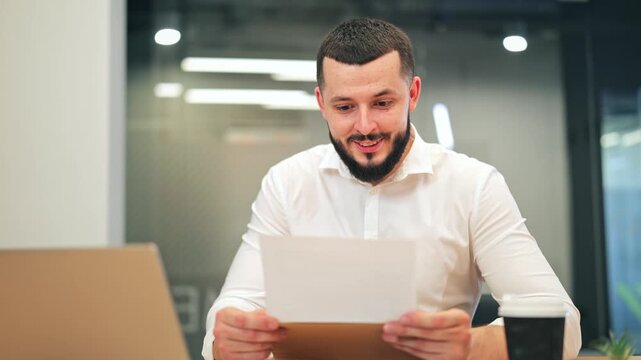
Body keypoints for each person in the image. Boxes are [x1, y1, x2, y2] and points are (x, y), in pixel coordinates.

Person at [202, 17, 581, 360]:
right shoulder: (287, 184)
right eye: (345, 107)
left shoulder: (473, 186)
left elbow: (560, 322)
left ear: (413, 94)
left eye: (382, 102)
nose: (365, 126)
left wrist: (471, 346)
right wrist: (229, 339)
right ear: (321, 103)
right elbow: (236, 305)